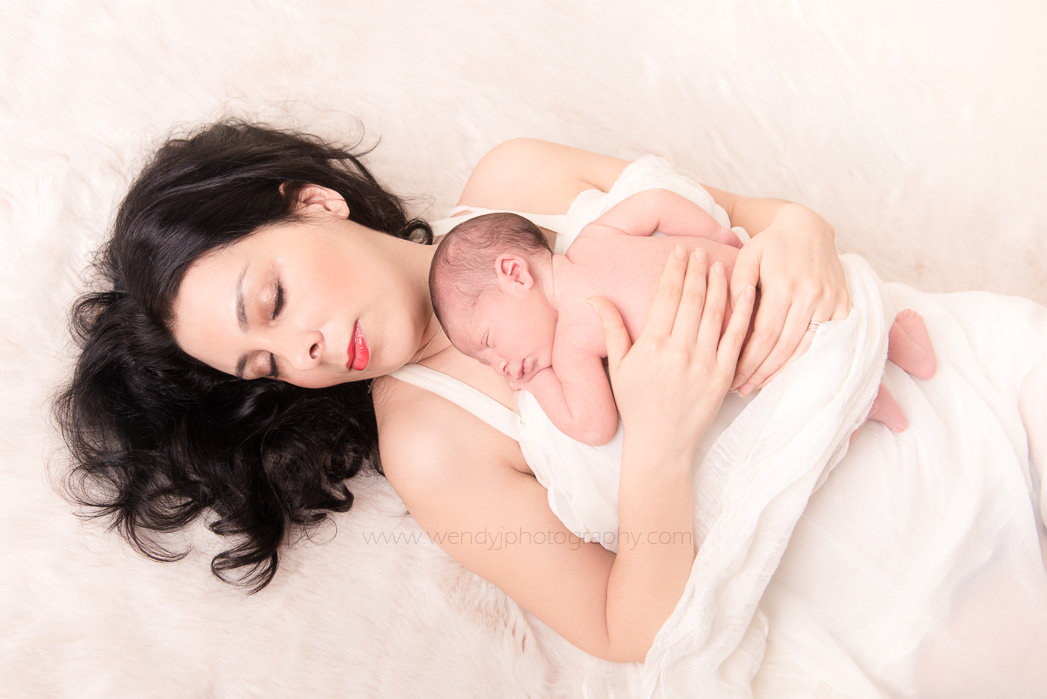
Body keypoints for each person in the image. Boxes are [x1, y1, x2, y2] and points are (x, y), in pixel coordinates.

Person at [55, 121, 1047, 695]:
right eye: (268, 362)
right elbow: (625, 630)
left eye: (272, 301)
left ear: (313, 201)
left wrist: (802, 242)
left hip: (951, 379)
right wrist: (660, 437)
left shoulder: (520, 184)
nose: (306, 349)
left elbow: (759, 220)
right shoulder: (433, 447)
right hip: (899, 566)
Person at [429, 193, 935, 446]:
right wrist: (715, 234)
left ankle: (883, 384)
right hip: (750, 304)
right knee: (825, 328)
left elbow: (593, 426)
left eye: (489, 342)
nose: (499, 365)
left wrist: (539, 380)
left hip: (753, 316)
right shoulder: (594, 243)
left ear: (515, 273)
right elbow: (655, 206)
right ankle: (896, 357)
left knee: (816, 356)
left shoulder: (573, 341)